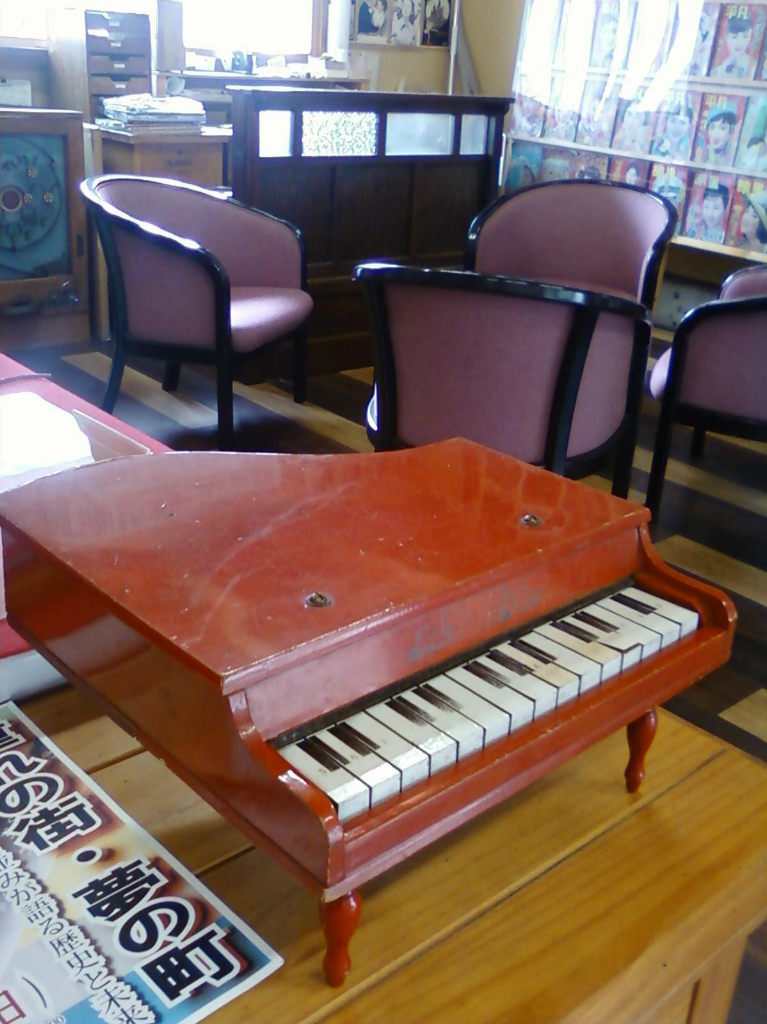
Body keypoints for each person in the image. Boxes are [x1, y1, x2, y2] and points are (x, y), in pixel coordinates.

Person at [710, 11, 755, 78]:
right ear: (726, 37)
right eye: (734, 37)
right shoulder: (717, 71)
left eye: (745, 36)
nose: (740, 42)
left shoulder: (754, 67)